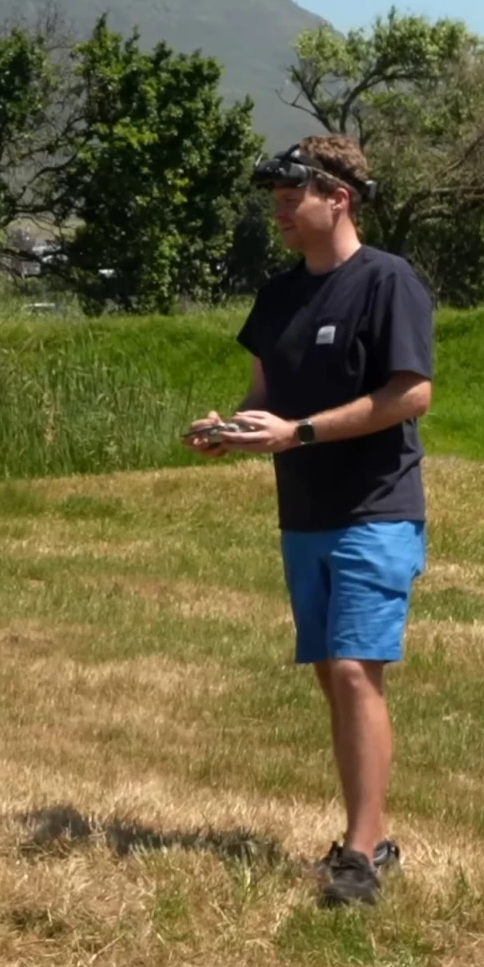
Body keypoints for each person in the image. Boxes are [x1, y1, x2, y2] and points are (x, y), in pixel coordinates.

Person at [186, 134, 435, 909]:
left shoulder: (388, 282)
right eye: (275, 203)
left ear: (340, 198)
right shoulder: (278, 296)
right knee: (335, 673)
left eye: (294, 199)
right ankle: (374, 834)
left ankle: (358, 857)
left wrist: (297, 434)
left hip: (376, 508)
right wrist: (230, 431)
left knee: (357, 666)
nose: (282, 214)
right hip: (305, 514)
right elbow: (265, 395)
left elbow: (410, 395)